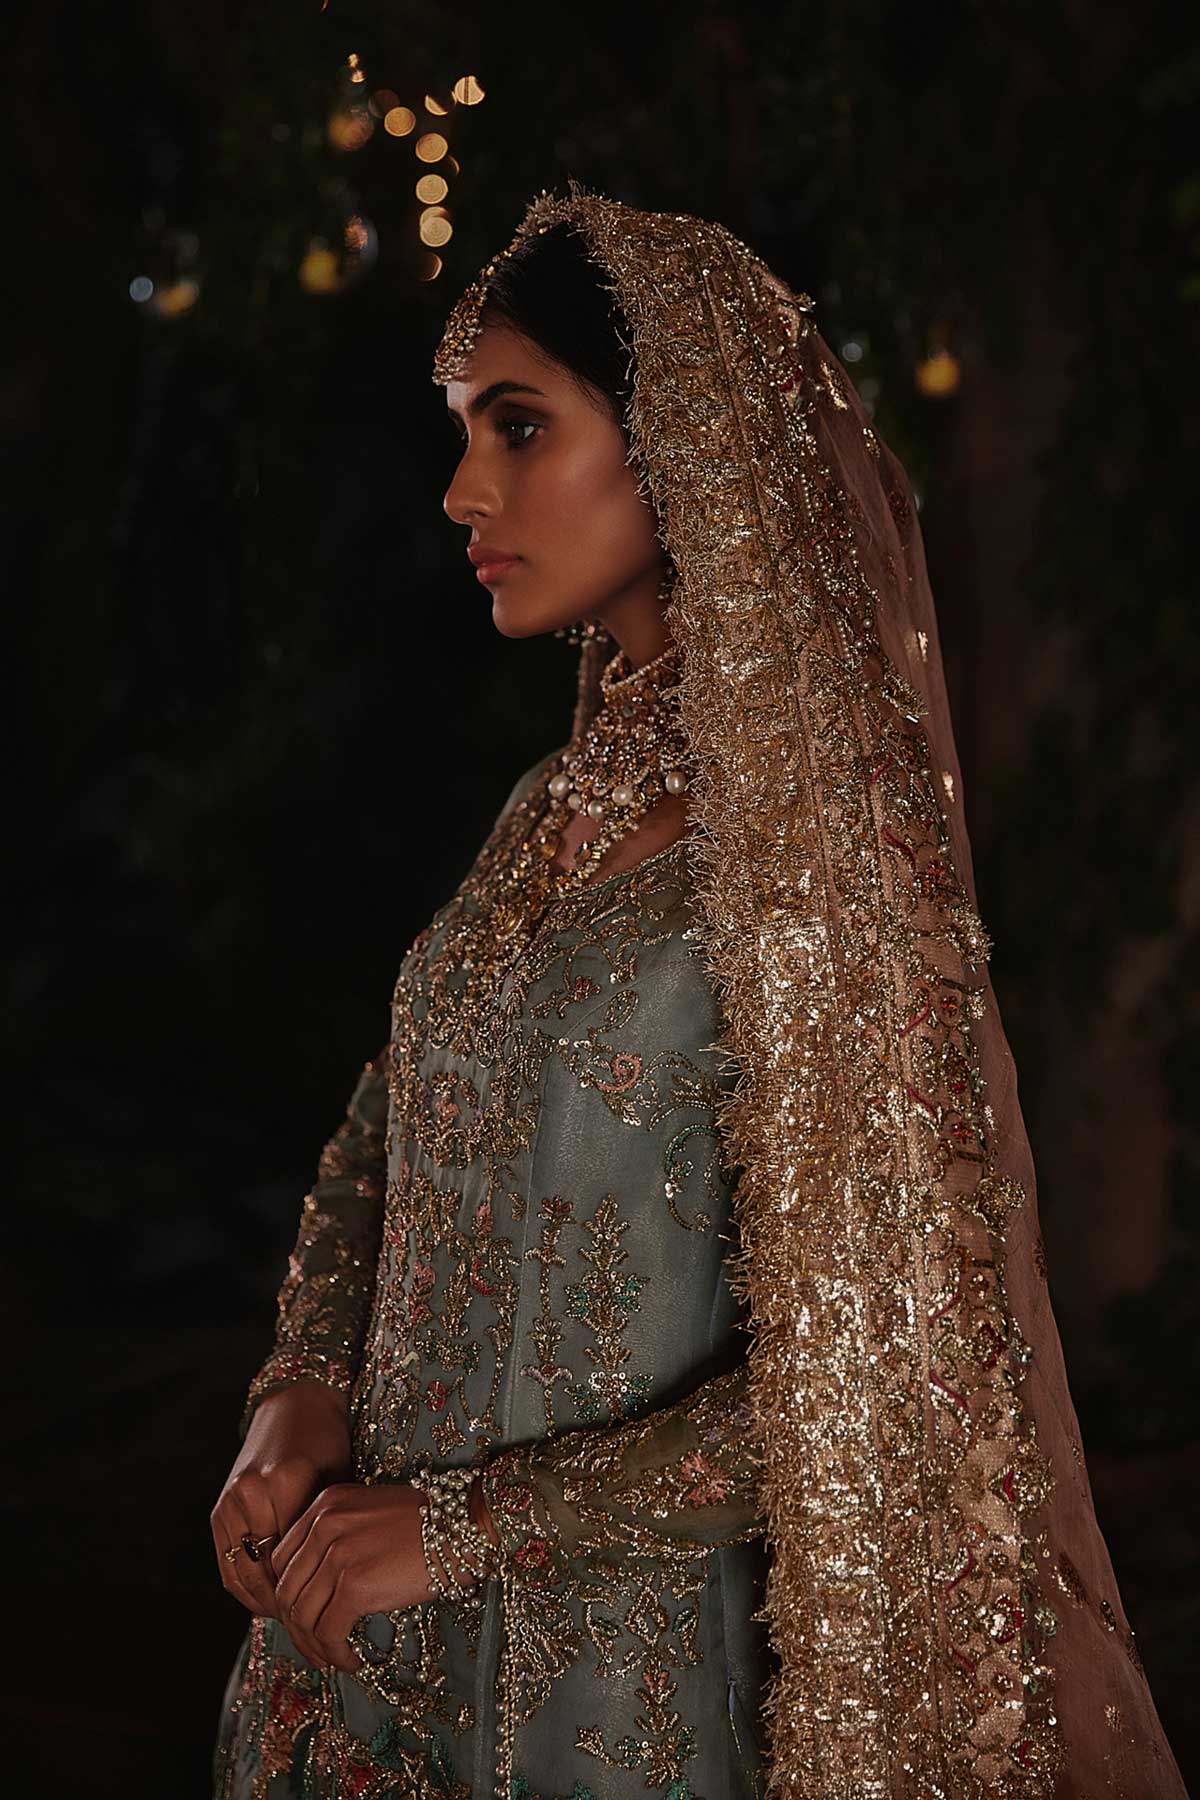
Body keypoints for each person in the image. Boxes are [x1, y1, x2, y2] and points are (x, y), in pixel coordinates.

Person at [212, 184, 1188, 1800]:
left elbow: (880, 1377)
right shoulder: (546, 810)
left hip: (616, 1709)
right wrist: (296, 1398)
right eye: (467, 433)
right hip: (360, 1667)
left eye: (518, 429)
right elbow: (383, 1138)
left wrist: (461, 1531)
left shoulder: (810, 860)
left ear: (689, 444)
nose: (464, 489)